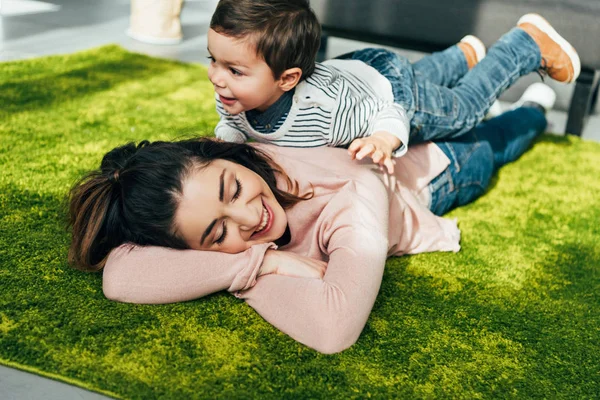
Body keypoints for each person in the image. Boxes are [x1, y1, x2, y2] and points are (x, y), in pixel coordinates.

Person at [68, 82, 554, 354]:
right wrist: (263, 263)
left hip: (429, 176)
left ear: (223, 150)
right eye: (218, 233)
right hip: (373, 147)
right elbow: (121, 273)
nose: (249, 218)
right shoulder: (219, 183)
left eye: (233, 188)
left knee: (499, 136)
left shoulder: (347, 197)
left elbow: (332, 328)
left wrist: (243, 268)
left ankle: (532, 107)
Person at [208, 0, 578, 173]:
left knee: (461, 110)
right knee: (422, 80)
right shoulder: (233, 95)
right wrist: (227, 136)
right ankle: (461, 57)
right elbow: (233, 122)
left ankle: (524, 44)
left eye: (234, 71)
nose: (217, 78)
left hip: (386, 91)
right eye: (213, 59)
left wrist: (384, 139)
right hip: (360, 71)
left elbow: (391, 111)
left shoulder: (324, 112)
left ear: (287, 79)